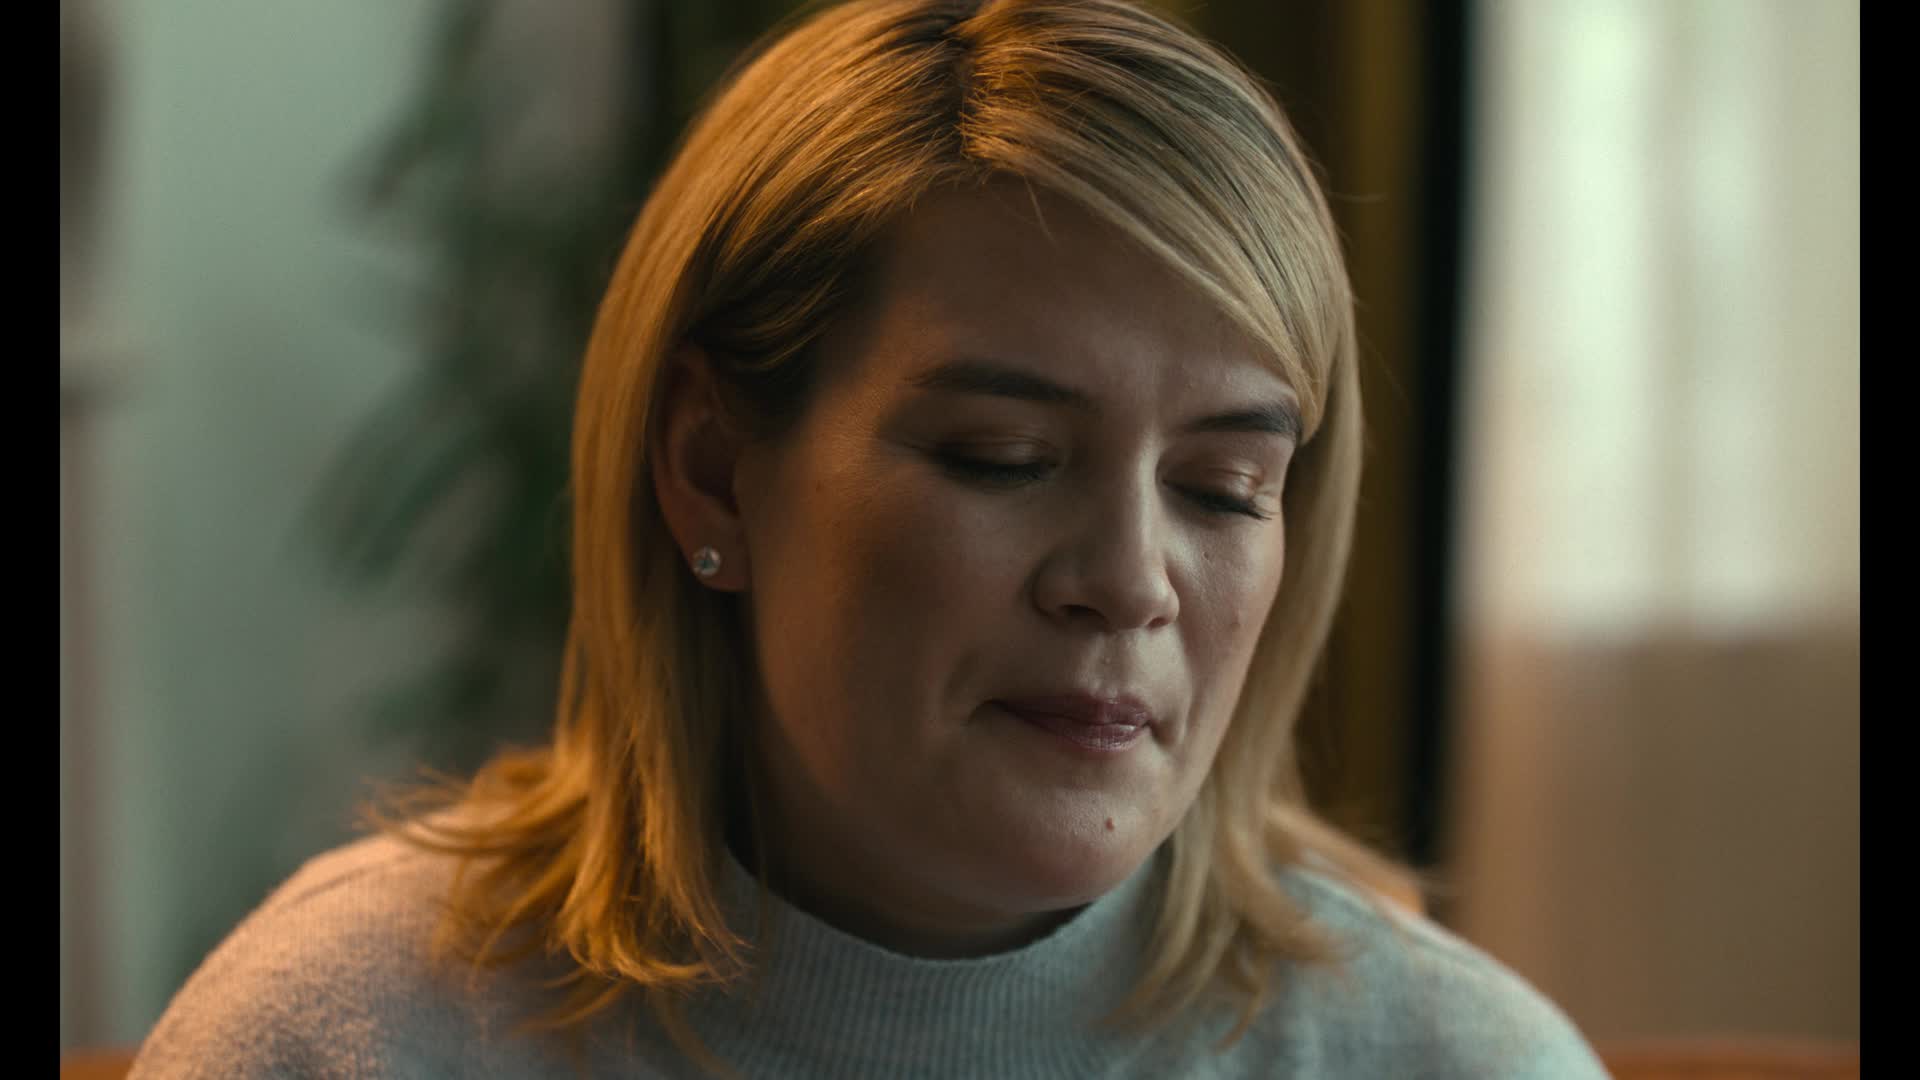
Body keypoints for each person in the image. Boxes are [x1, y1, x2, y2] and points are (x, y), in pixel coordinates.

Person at [130, 0, 1609, 1075]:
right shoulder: (353, 1035)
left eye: (1225, 488)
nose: (1129, 582)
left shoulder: (1449, 1059)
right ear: (712, 470)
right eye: (1003, 459)